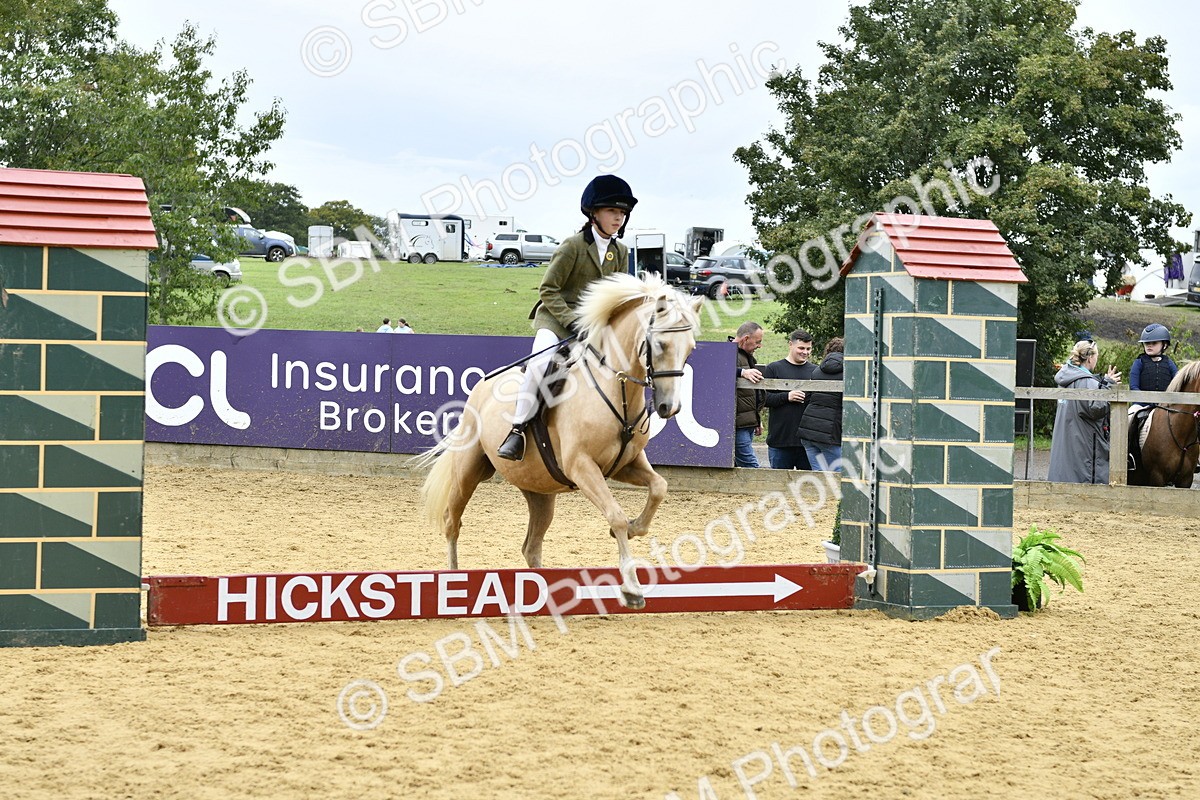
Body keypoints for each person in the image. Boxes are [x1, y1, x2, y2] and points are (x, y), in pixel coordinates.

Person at [497, 175, 637, 461]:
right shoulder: (572, 246)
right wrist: (573, 321)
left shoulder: (621, 252)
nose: (618, 218)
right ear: (594, 213)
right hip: (557, 321)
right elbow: (548, 289)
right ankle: (517, 430)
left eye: (622, 212)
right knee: (540, 364)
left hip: (593, 328)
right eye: (612, 211)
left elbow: (619, 296)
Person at [1047, 340, 1121, 484]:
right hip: (1083, 450)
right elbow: (1096, 409)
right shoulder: (1087, 382)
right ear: (1090, 358)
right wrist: (1108, 386)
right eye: (1096, 356)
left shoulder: (1065, 379)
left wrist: (1102, 383)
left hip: (1067, 443)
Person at [760, 329, 816, 470]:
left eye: (808, 349)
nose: (805, 352)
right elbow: (763, 399)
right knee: (779, 482)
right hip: (780, 441)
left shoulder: (815, 371)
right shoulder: (773, 368)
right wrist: (787, 396)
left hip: (808, 442)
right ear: (790, 344)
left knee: (808, 483)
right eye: (801, 348)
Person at [796, 337, 844, 472]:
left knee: (819, 475)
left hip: (808, 429)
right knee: (839, 475)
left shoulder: (817, 371)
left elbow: (807, 398)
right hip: (830, 433)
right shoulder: (851, 373)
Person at [732, 321, 765, 468]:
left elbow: (751, 394)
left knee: (740, 465)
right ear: (745, 339)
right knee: (750, 466)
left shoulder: (745, 355)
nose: (759, 346)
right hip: (737, 425)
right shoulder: (727, 354)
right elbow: (715, 370)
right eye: (757, 342)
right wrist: (741, 372)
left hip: (746, 422)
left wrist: (756, 419)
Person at [1129, 323, 1177, 401]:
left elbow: (1178, 384)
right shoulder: (1138, 362)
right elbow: (1133, 387)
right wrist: (1145, 401)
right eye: (1147, 343)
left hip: (1165, 404)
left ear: (1164, 345)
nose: (1149, 345)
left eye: (1154, 343)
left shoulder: (1169, 363)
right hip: (1141, 404)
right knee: (1133, 409)